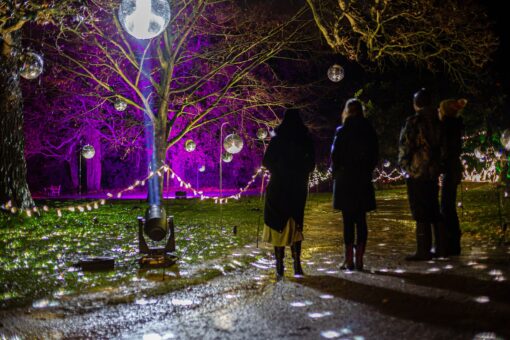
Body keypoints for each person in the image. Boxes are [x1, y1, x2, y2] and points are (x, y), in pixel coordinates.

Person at [262, 108, 315, 280]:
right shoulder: (305, 139)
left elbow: (266, 161)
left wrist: (279, 170)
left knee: (278, 224)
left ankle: (280, 266)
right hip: (297, 187)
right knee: (295, 224)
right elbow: (311, 163)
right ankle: (296, 264)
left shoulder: (277, 140)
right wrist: (300, 172)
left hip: (279, 186)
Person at [398, 88, 447, 261]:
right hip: (433, 169)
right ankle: (441, 247)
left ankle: (423, 250)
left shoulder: (414, 121)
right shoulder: (438, 120)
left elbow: (406, 144)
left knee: (419, 208)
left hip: (417, 169)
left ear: (417, 103)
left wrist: (404, 164)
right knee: (433, 206)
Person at [331, 98, 379, 271]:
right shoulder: (369, 130)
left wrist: (336, 174)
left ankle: (348, 260)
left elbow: (335, 156)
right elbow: (375, 156)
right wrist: (366, 170)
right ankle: (359, 259)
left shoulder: (342, 131)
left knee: (348, 221)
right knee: (361, 220)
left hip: (345, 181)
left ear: (347, 112)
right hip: (362, 179)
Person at [439, 98, 467, 256]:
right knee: (447, 205)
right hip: (453, 167)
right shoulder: (454, 124)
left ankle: (452, 242)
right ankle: (452, 241)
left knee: (446, 206)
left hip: (450, 168)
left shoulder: (446, 125)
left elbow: (446, 149)